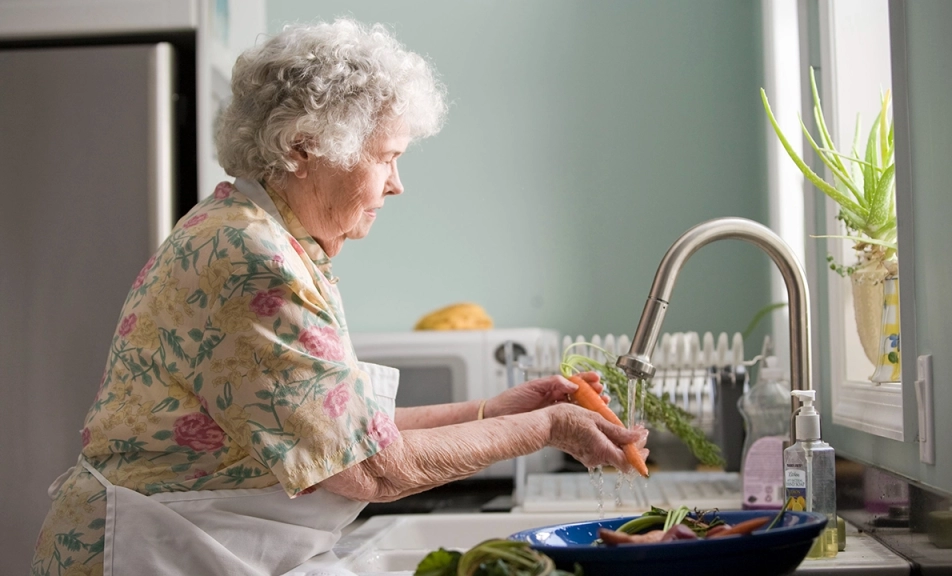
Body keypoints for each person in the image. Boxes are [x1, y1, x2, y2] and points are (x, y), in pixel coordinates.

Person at [31, 18, 648, 576]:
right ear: (302, 148)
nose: (398, 184)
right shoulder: (254, 261)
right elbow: (369, 468)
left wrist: (499, 410)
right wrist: (547, 427)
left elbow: (339, 433)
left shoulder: (263, 237)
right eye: (387, 158)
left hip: (192, 543)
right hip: (154, 554)